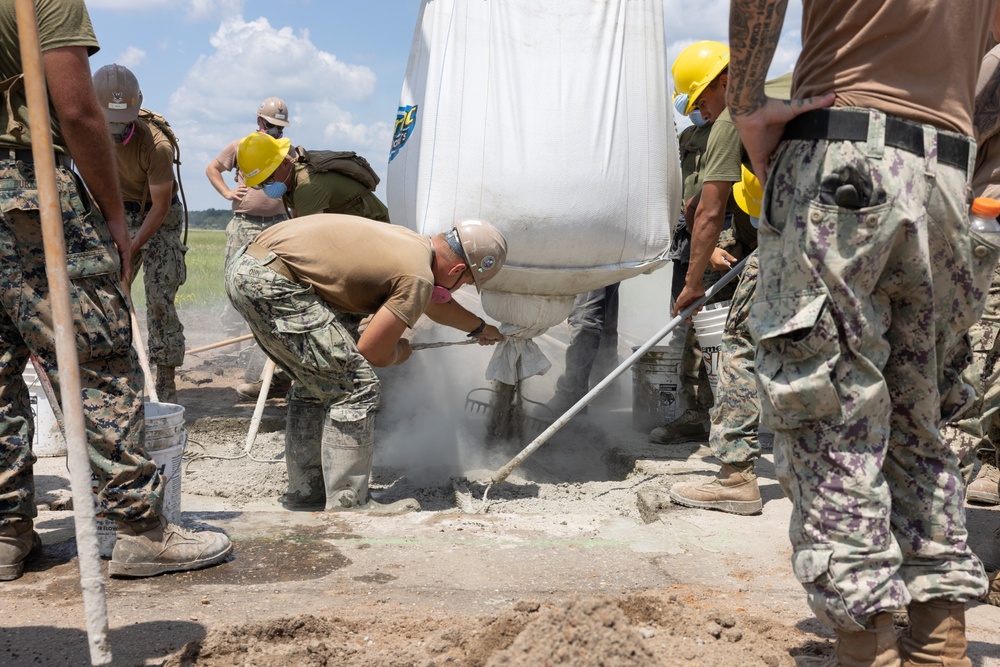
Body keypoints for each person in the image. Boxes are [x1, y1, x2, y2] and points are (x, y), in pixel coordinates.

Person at [728, 0, 1000, 662]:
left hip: (844, 150)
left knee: (827, 408)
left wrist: (746, 105)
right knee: (921, 415)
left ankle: (863, 644)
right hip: (948, 173)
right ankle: (938, 637)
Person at [0, 0, 231, 581]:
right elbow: (76, 111)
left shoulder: (154, 141)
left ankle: (5, 533)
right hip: (29, 191)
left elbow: (161, 200)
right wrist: (112, 223)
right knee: (96, 355)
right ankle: (139, 530)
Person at [226, 214, 507, 512]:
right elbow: (373, 350)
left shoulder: (414, 246)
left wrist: (479, 327)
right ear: (459, 268)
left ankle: (306, 491)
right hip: (272, 282)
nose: (458, 288)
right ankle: (349, 502)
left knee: (318, 382)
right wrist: (400, 352)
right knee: (356, 387)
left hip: (252, 268)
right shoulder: (418, 275)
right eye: (464, 282)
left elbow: (433, 304)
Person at [663, 41, 791, 516]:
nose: (702, 112)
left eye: (700, 103)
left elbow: (711, 209)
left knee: (740, 341)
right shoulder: (791, 94)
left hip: (794, 236)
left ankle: (736, 476)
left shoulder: (733, 113)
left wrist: (691, 284)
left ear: (721, 82)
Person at [93, 63, 186, 403]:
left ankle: (165, 375)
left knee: (160, 297)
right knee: (110, 292)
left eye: (122, 122)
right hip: (117, 209)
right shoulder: (86, 133)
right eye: (110, 122)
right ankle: (119, 367)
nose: (116, 131)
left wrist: (131, 247)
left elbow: (160, 207)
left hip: (156, 215)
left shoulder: (156, 145)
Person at [648, 93, 728, 444]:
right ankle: (698, 411)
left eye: (701, 103)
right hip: (698, 232)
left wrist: (712, 245)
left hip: (727, 230)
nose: (699, 112)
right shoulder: (688, 138)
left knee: (716, 330)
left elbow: (719, 199)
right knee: (692, 323)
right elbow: (690, 197)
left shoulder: (734, 130)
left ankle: (724, 415)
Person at [206, 97, 293, 401]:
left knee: (274, 287)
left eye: (280, 129)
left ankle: (264, 348)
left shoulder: (289, 152)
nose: (275, 133)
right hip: (244, 224)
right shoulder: (241, 146)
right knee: (236, 283)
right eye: (270, 126)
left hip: (278, 226)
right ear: (259, 123)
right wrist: (228, 192)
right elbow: (213, 169)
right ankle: (235, 346)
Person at [236, 131, 390, 221]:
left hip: (380, 236)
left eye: (267, 179)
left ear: (284, 163)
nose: (266, 187)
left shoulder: (307, 186)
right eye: (260, 184)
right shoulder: (293, 181)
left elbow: (311, 242)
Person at [545, 284, 620, 417]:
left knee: (585, 315)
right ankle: (605, 387)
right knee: (604, 309)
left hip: (595, 263)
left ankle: (571, 395)